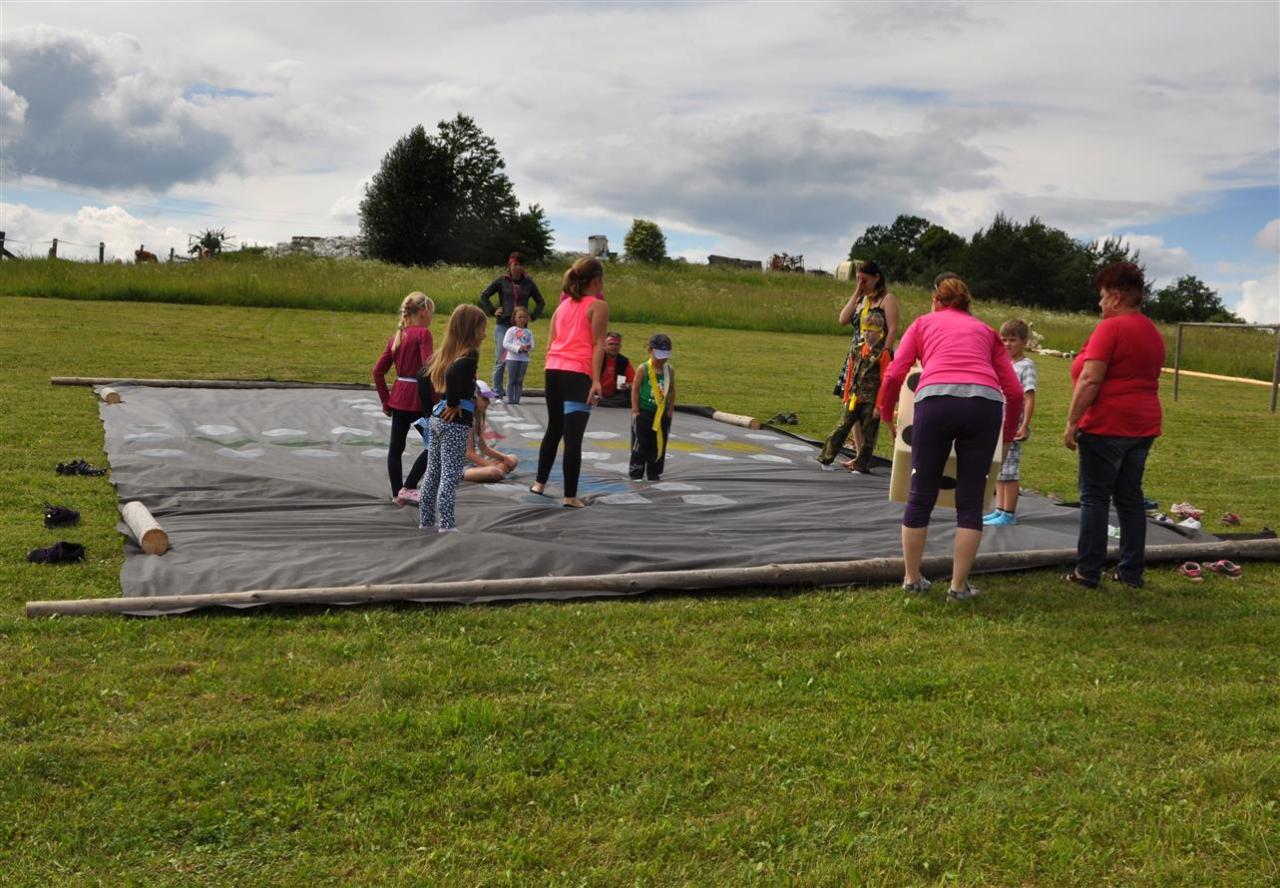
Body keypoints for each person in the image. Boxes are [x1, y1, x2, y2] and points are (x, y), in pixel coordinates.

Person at [876, 274, 1024, 602]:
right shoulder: (986, 331)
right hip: (984, 407)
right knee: (970, 502)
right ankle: (958, 587)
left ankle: (912, 578)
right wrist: (1007, 437)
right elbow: (1014, 391)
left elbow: (895, 373)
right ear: (968, 304)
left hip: (936, 402)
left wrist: (886, 413)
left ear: (935, 301)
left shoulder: (923, 323)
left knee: (920, 495)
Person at [1062, 262, 1165, 589]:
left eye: (1103, 296)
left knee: (1094, 498)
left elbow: (1090, 379)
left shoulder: (1110, 329)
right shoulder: (1151, 331)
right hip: (1143, 425)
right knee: (1130, 498)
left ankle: (1087, 571)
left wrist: (1072, 421)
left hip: (1107, 425)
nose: (1100, 302)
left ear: (1117, 297)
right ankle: (1131, 571)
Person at [532, 256, 609, 508]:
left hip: (553, 370)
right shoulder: (598, 306)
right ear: (596, 279)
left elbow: (550, 344)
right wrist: (595, 380)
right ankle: (570, 496)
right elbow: (598, 344)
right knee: (573, 437)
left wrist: (553, 366)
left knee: (554, 429)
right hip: (577, 374)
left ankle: (539, 483)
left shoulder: (561, 307)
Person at [419, 304, 486, 533]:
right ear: (471, 330)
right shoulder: (469, 355)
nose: (485, 335)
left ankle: (426, 520)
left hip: (437, 420)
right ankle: (446, 524)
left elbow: (422, 376)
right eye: (482, 329)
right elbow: (453, 373)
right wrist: (454, 403)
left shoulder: (450, 353)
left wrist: (432, 409)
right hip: (454, 425)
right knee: (450, 474)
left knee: (432, 472)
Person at [829, 260, 900, 469]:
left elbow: (893, 329)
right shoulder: (861, 299)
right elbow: (843, 319)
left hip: (877, 360)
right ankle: (859, 455)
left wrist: (883, 356)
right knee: (853, 406)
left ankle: (881, 454)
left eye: (865, 280)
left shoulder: (887, 300)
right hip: (857, 358)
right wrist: (856, 293)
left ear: (877, 277)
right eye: (858, 279)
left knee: (874, 410)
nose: (861, 283)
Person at [373, 291, 434, 505]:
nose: (431, 318)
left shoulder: (396, 337)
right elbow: (428, 368)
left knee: (396, 448)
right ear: (424, 312)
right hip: (418, 401)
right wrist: (437, 399)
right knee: (436, 444)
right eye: (431, 314)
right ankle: (409, 487)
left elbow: (377, 371)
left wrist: (385, 400)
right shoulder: (423, 334)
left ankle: (396, 494)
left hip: (398, 399)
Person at [817, 303, 890, 473]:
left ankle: (861, 465)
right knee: (841, 428)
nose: (867, 334)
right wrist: (846, 395)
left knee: (868, 435)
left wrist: (879, 406)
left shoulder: (884, 353)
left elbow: (885, 380)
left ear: (880, 333)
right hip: (854, 397)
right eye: (865, 330)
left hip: (871, 401)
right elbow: (850, 373)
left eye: (871, 331)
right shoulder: (856, 349)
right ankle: (826, 458)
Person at [984, 319, 1038, 526]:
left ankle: (1009, 513)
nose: (1007, 344)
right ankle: (999, 508)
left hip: (1013, 425)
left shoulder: (1026, 366)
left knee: (1010, 472)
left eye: (1013, 340)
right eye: (1004, 340)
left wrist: (1024, 425)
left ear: (1024, 342)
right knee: (998, 467)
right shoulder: (1002, 363)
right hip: (997, 422)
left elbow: (1029, 397)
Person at [480, 252, 544, 398]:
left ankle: (514, 391)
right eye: (515, 265)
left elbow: (540, 301)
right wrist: (492, 310)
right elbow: (484, 295)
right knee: (501, 359)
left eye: (520, 265)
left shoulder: (528, 283)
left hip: (521, 328)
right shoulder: (502, 281)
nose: (517, 268)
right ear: (510, 265)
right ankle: (497, 391)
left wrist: (533, 316)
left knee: (518, 358)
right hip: (503, 324)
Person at [630, 333, 677, 481]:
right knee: (640, 443)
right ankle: (636, 472)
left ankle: (654, 472)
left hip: (662, 414)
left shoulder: (669, 370)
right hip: (644, 413)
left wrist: (670, 412)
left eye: (665, 355)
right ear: (650, 351)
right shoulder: (643, 368)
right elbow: (635, 389)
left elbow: (672, 391)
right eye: (659, 355)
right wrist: (635, 410)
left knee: (659, 444)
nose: (663, 359)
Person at [500, 306, 535, 405]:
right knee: (512, 379)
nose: (522, 319)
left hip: (524, 359)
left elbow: (532, 345)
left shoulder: (529, 332)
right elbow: (505, 343)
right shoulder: (511, 330)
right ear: (514, 318)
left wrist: (528, 348)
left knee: (519, 380)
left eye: (524, 317)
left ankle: (517, 400)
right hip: (512, 358)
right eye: (520, 317)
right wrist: (518, 348)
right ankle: (511, 400)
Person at [596, 332, 636, 407]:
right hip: (596, 392)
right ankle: (601, 401)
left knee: (631, 395)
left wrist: (627, 385)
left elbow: (635, 383)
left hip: (616, 396)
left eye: (617, 344)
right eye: (610, 344)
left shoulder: (624, 361)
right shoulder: (597, 358)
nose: (614, 347)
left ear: (620, 346)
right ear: (604, 345)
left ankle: (601, 402)